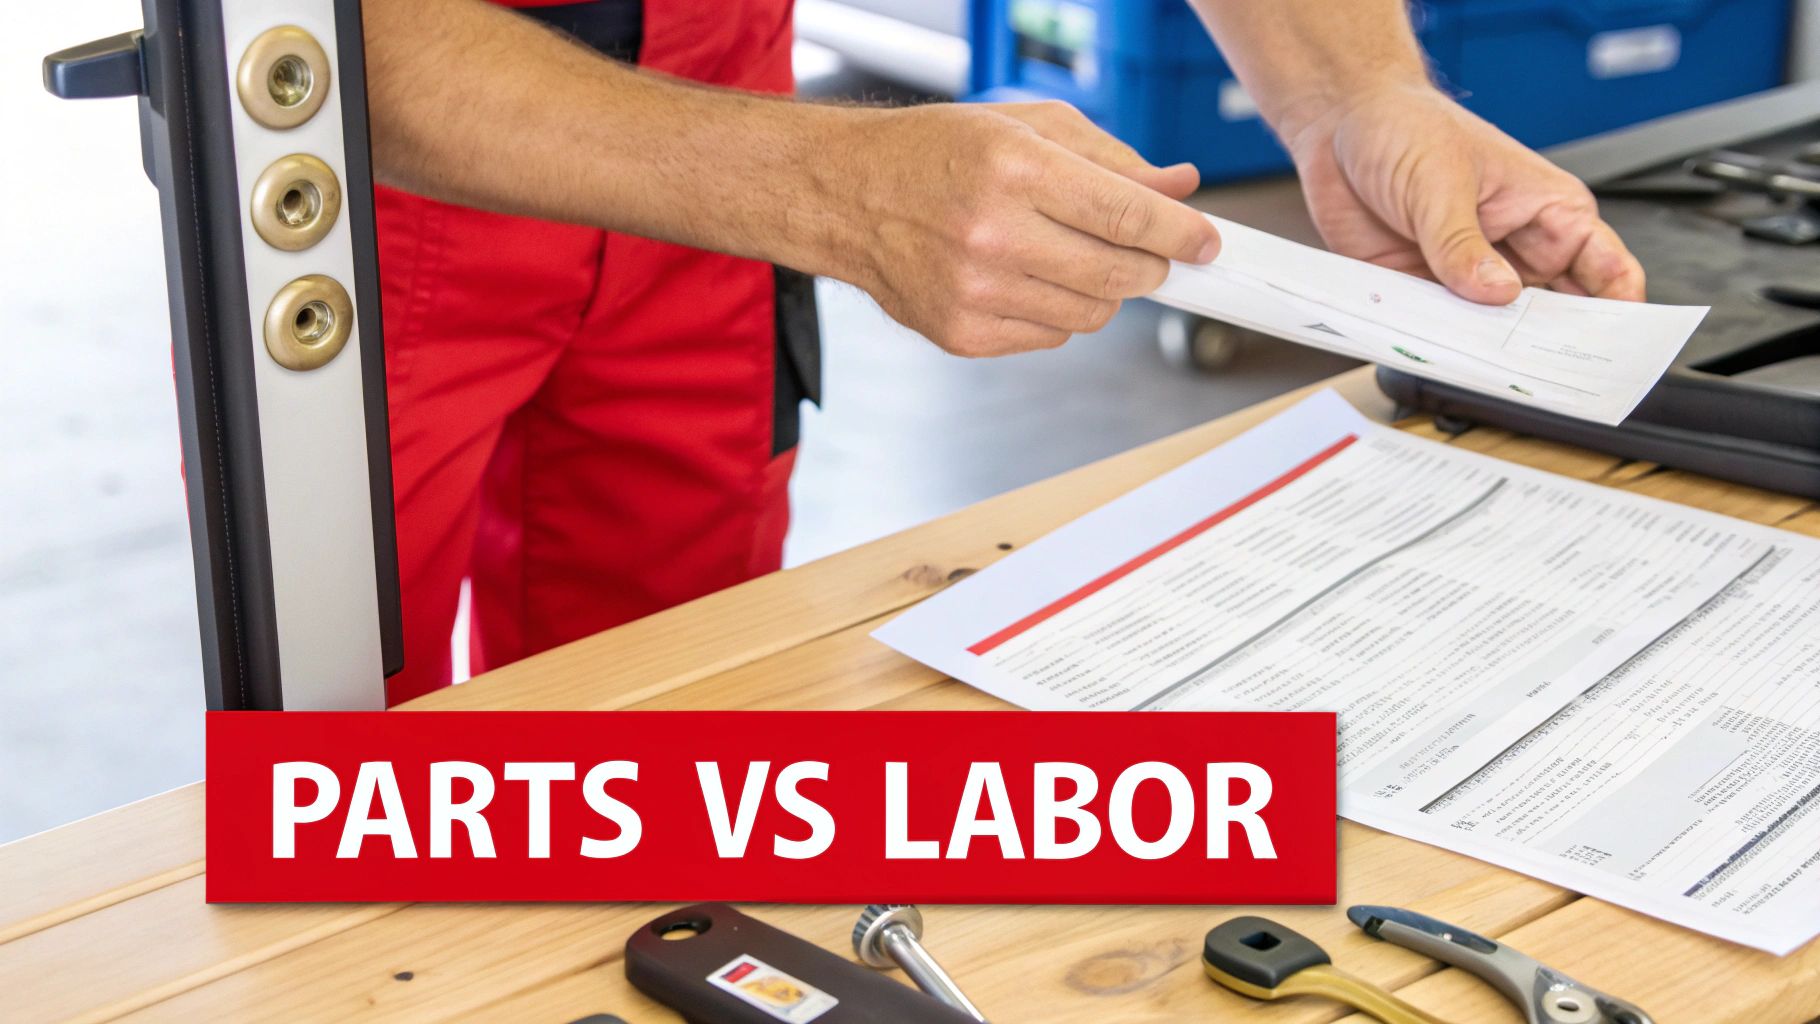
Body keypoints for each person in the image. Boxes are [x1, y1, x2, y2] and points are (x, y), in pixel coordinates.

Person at [362, 0, 1646, 704]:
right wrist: (821, 185)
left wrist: (1357, 94)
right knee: (343, 784)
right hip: (367, 166)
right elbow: (285, 29)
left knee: (666, 722)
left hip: (716, 90)